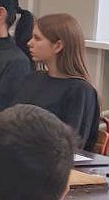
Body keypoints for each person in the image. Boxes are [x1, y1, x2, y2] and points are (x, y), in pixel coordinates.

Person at [8, 13, 100, 150]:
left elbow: (72, 142)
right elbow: (11, 119)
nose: (29, 43)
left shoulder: (80, 90)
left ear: (58, 46)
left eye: (37, 38)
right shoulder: (32, 78)